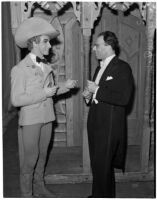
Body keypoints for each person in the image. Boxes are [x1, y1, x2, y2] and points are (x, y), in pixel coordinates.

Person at [11, 17, 77, 198]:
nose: (50, 46)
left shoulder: (46, 67)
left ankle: (39, 188)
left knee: (42, 156)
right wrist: (45, 94)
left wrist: (66, 86)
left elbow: (51, 91)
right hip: (31, 120)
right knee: (30, 160)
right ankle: (27, 194)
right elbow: (17, 100)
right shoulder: (20, 69)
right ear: (34, 43)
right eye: (46, 42)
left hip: (47, 117)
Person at [82, 31, 134, 197]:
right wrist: (89, 96)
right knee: (98, 164)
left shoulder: (123, 67)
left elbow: (124, 98)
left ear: (108, 46)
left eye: (97, 45)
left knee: (103, 164)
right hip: (96, 122)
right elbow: (99, 94)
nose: (93, 48)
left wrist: (96, 90)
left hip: (109, 125)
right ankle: (100, 194)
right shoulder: (99, 67)